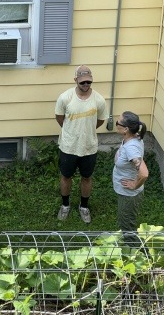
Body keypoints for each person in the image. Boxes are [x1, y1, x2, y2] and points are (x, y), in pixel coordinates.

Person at [55, 65, 108, 223]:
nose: (86, 85)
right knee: (66, 176)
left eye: (88, 82)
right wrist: (71, 130)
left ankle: (84, 207)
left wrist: (87, 130)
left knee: (87, 177)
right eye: (83, 82)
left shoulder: (99, 100)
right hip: (68, 146)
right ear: (75, 80)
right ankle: (65, 205)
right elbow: (59, 117)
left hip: (88, 147)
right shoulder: (65, 98)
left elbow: (100, 120)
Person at [113, 111, 149, 245]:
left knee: (127, 227)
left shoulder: (131, 148)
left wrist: (134, 184)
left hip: (129, 195)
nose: (116, 124)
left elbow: (144, 173)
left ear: (126, 129)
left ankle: (137, 253)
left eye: (118, 123)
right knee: (126, 222)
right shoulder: (134, 138)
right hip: (127, 194)